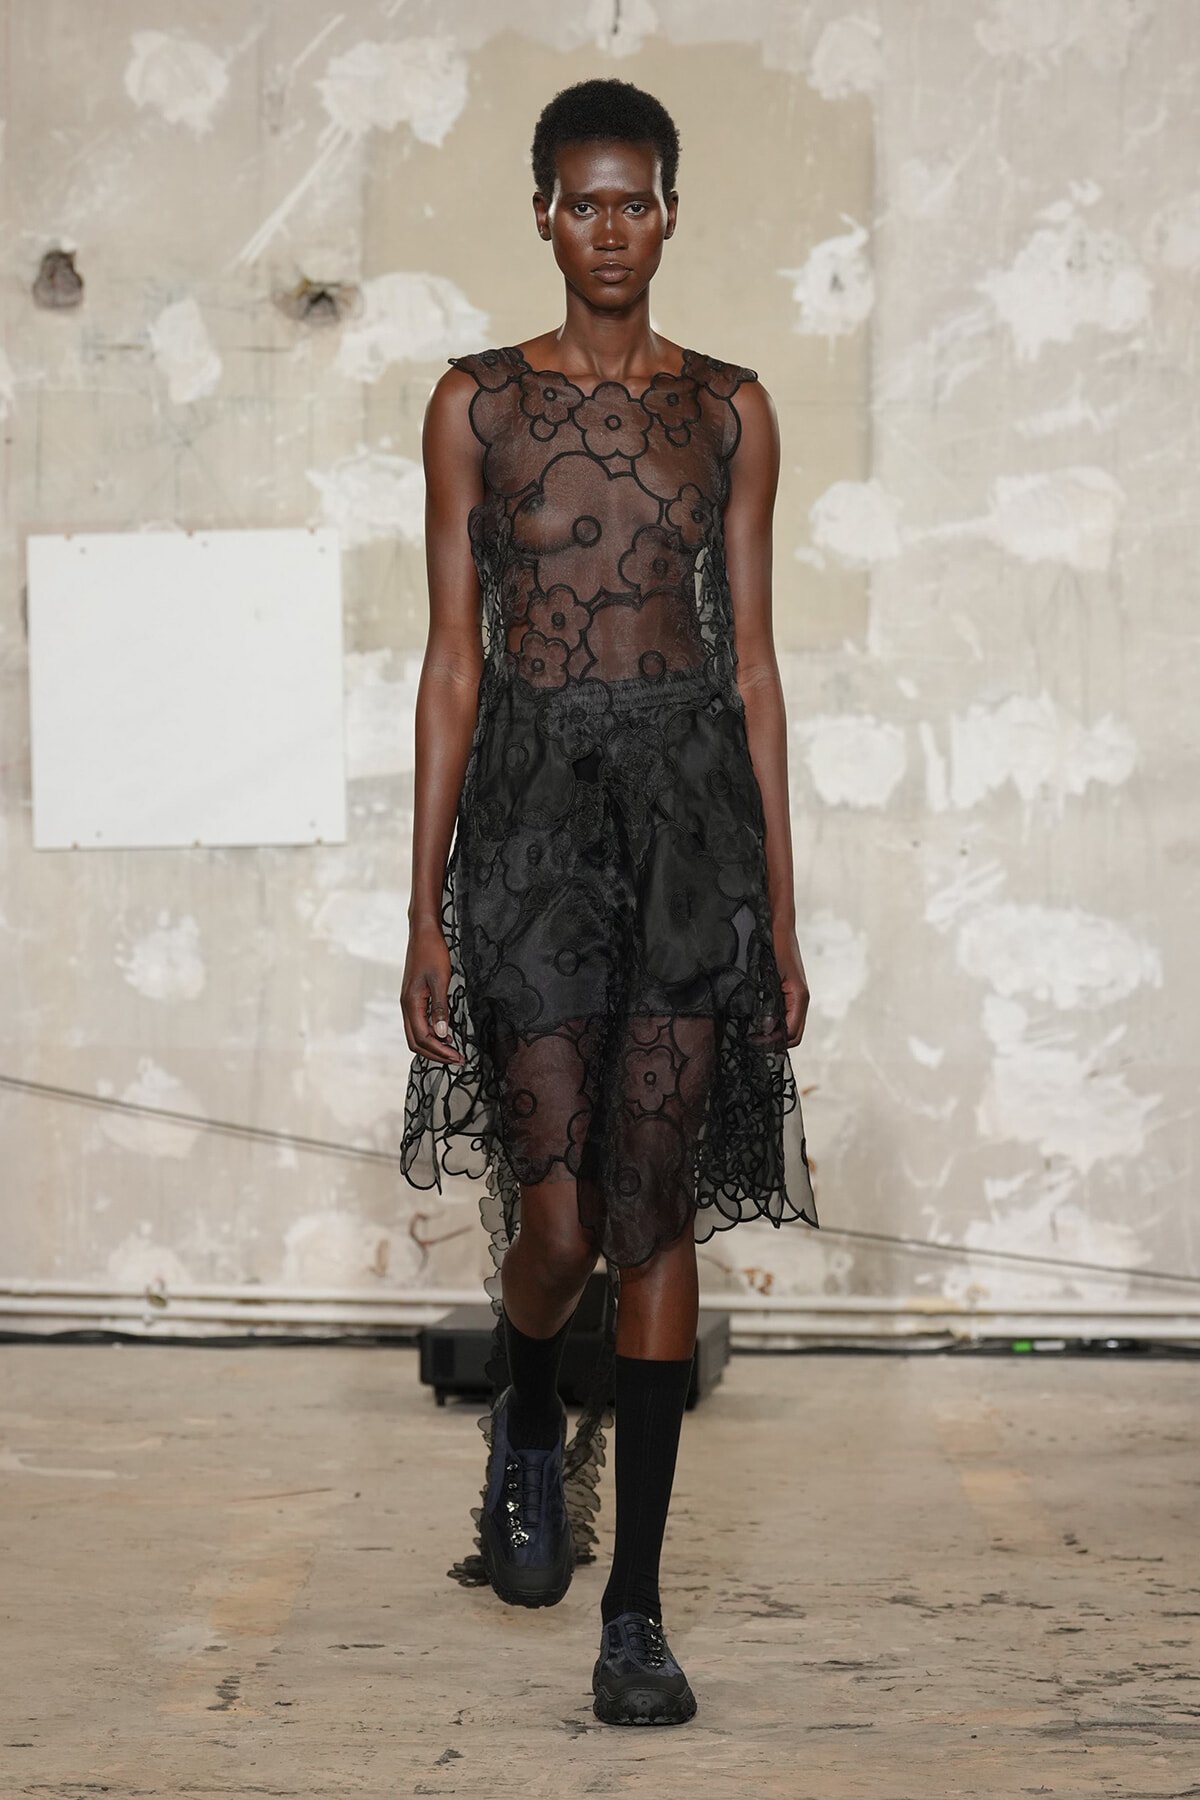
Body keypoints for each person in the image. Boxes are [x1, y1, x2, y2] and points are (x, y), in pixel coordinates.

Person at [399, 76, 818, 1727]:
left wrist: (782, 908)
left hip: (689, 825)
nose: (612, 228)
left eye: (636, 200)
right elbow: (452, 664)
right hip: (529, 824)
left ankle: (633, 1611)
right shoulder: (476, 405)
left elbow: (756, 666)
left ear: (670, 211)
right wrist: (423, 910)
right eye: (584, 202)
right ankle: (527, 1404)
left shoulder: (729, 410)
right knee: (561, 1223)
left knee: (652, 1214)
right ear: (543, 214)